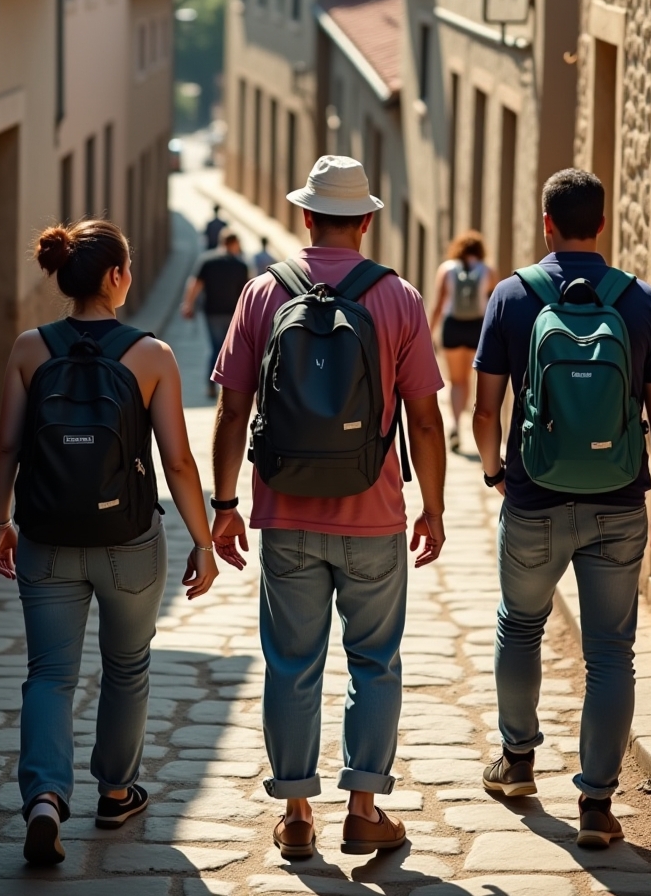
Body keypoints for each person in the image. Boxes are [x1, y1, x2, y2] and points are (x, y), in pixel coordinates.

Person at [209, 155, 447, 860]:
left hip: (285, 513)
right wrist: (432, 507)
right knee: (374, 660)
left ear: (305, 216)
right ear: (367, 222)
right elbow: (427, 420)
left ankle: (296, 814)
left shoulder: (261, 293)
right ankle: (365, 808)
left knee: (291, 663)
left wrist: (225, 504)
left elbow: (231, 409)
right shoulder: (399, 298)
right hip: (374, 514)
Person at [0, 218, 218, 867]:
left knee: (49, 675)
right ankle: (116, 790)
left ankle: (43, 799)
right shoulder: (151, 355)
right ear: (117, 277)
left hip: (46, 537)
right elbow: (177, 465)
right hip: (130, 544)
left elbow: (6, 445)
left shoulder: (30, 349)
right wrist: (203, 542)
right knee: (128, 665)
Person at [473, 168, 651, 849]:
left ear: (546, 223)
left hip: (534, 498)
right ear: (602, 224)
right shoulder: (641, 300)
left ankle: (517, 762)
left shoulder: (513, 295)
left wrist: (496, 474)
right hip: (619, 504)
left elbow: (484, 409)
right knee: (611, 654)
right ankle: (597, 804)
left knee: (520, 625)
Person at [429, 231, 496, 454]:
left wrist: (429, 332)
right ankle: (463, 424)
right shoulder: (488, 270)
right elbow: (493, 303)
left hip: (452, 327)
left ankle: (456, 424)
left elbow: (439, 303)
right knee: (467, 379)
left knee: (455, 380)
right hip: (476, 327)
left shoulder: (447, 269)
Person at [181, 228, 250, 397]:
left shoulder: (207, 260)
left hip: (211, 312)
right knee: (231, 350)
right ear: (234, 243)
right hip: (233, 314)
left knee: (215, 347)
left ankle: (211, 384)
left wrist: (188, 305)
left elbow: (195, 284)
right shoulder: (241, 266)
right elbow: (247, 293)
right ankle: (230, 386)